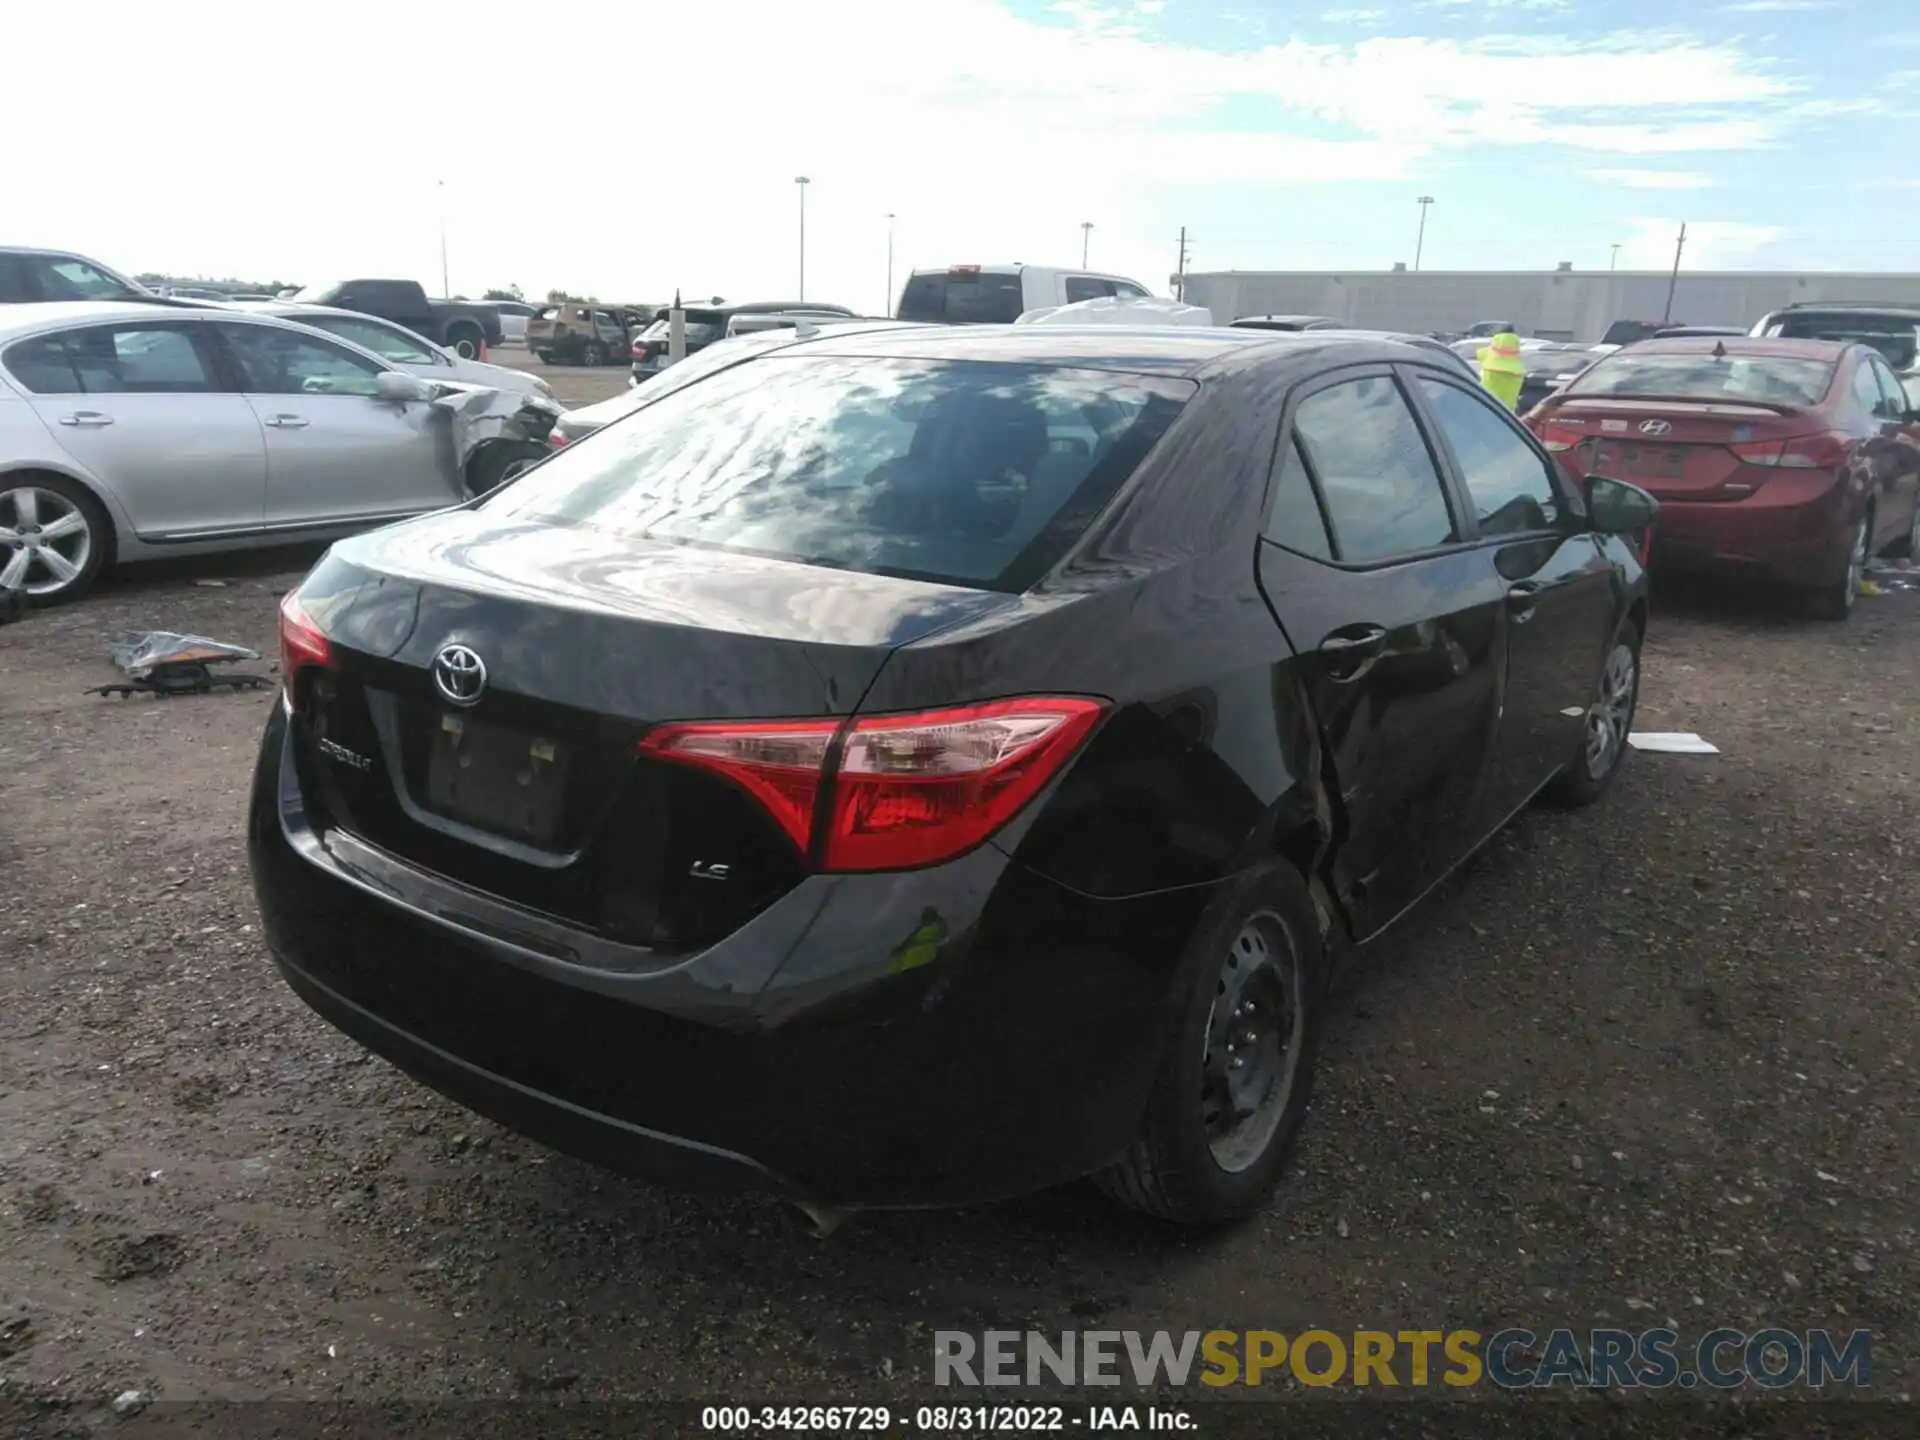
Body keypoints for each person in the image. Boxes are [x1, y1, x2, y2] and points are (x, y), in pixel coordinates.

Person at [1477, 326, 1526, 411]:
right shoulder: (1515, 343)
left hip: (1486, 404)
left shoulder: (1489, 351)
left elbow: (1480, 353)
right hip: (1505, 412)